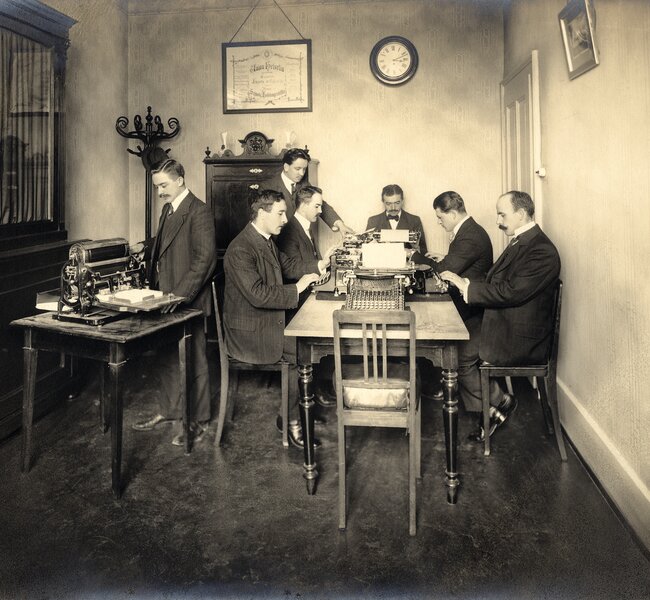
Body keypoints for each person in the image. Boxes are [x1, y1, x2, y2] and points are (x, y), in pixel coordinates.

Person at [440, 190, 561, 441]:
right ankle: (492, 408)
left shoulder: (541, 251)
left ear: (520, 214)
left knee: (458, 355)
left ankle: (498, 404)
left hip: (521, 335)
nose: (497, 221)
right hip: (507, 320)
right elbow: (498, 282)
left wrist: (467, 288)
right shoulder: (523, 241)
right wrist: (464, 282)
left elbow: (512, 292)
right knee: (454, 343)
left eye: (502, 214)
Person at [223, 189, 324, 448]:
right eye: (280, 213)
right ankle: (290, 420)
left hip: (261, 322)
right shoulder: (241, 249)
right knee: (298, 352)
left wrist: (318, 267)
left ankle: (297, 409)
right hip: (249, 333)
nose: (284, 219)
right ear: (261, 213)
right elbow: (257, 295)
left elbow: (289, 266)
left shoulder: (265, 239)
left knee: (306, 338)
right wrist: (297, 288)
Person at [132, 159, 217, 445]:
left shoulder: (200, 211)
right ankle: (169, 411)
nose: (159, 192)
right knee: (167, 357)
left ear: (180, 179)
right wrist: (146, 246)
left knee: (194, 359)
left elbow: (205, 260)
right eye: (156, 187)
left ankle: (198, 420)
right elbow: (167, 242)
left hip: (186, 300)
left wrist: (178, 296)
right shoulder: (169, 210)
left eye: (163, 185)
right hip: (164, 298)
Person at [428, 191, 493, 410]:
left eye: (441, 217)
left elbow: (444, 270)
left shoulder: (470, 235)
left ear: (453, 213)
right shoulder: (467, 230)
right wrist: (443, 259)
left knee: (454, 350)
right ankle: (449, 388)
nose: (439, 222)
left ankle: (488, 410)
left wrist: (415, 257)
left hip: (475, 311)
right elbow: (455, 264)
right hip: (470, 307)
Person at [263, 148, 354, 240]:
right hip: (278, 241)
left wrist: (339, 224)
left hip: (302, 239)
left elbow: (320, 204)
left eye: (304, 169)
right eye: (297, 169)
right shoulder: (268, 187)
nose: (302, 173)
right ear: (286, 167)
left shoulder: (304, 184)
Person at [366, 184, 428, 257]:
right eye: (388, 204)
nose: (393, 207)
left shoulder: (414, 220)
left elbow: (423, 254)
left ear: (402, 201)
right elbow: (367, 252)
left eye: (397, 203)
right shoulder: (373, 221)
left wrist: (416, 248)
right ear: (383, 202)